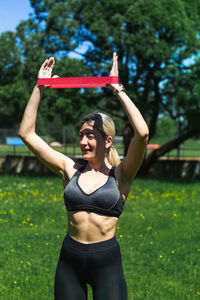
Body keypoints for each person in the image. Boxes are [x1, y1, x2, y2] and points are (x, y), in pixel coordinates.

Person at [18, 52, 149, 300]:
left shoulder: (121, 175)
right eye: (81, 135)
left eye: (90, 136)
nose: (83, 142)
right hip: (70, 261)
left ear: (107, 141)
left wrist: (116, 88)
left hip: (106, 263)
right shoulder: (70, 169)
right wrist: (40, 88)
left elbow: (142, 134)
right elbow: (26, 133)